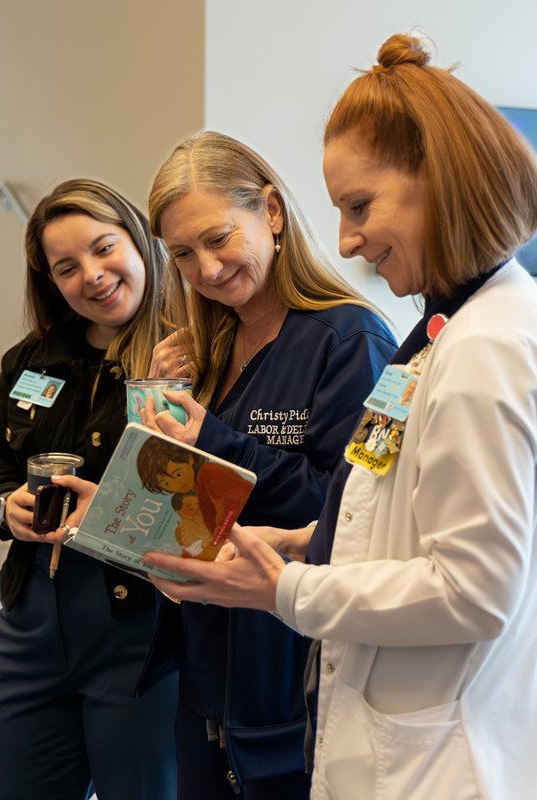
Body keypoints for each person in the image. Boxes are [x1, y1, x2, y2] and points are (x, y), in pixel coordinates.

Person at [141, 34, 537, 800]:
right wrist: (301, 543)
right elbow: (371, 498)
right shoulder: (441, 332)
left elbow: (474, 590)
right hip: (372, 714)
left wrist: (286, 588)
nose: (346, 239)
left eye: (359, 207)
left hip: (441, 746)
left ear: (440, 180)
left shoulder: (480, 347)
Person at [140, 131, 397, 798]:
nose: (206, 269)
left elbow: (347, 511)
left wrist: (218, 441)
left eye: (218, 238)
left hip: (288, 682)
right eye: (183, 254)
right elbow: (195, 504)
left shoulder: (350, 340)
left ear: (273, 212)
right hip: (206, 673)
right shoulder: (208, 345)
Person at [0, 178, 179, 800]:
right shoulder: (33, 360)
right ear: (51, 282)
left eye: (104, 248)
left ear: (140, 241)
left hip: (143, 628)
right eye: (67, 267)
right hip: (33, 617)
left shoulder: (191, 357)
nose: (92, 275)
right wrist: (5, 505)